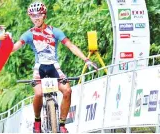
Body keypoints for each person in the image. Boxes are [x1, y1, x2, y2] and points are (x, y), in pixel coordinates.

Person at [13, 1, 98, 133]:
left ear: (44, 15)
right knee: (38, 93)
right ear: (30, 17)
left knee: (67, 91)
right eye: (32, 15)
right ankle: (37, 121)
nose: (36, 18)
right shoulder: (28, 34)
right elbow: (15, 47)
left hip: (54, 67)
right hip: (39, 68)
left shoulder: (54, 31)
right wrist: (3, 47)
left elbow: (70, 46)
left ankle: (62, 123)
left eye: (38, 15)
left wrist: (86, 60)